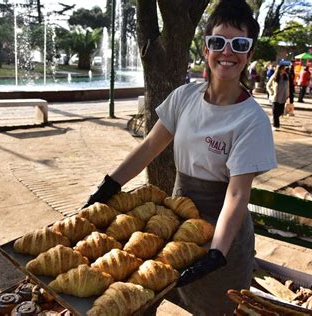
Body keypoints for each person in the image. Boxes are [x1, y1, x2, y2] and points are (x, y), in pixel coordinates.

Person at [82, 0, 277, 314]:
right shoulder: (184, 97)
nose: (227, 52)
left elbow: (238, 193)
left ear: (250, 54)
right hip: (176, 220)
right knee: (146, 294)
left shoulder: (252, 121)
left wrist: (217, 253)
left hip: (223, 232)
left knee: (215, 308)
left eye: (239, 44)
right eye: (218, 42)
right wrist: (107, 186)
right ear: (205, 49)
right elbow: (148, 148)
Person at [266, 64, 289, 130]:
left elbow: (287, 87)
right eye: (283, 69)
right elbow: (268, 85)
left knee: (280, 112)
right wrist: (271, 92)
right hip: (275, 98)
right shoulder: (274, 76)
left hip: (283, 97)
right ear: (279, 69)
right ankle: (276, 125)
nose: (284, 70)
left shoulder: (286, 77)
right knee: (275, 112)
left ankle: (273, 118)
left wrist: (288, 95)